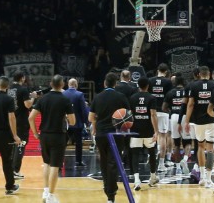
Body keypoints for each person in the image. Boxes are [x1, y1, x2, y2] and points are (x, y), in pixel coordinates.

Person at [32, 75, 75, 203]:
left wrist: (35, 133)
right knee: (55, 166)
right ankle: (50, 196)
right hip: (58, 135)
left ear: (51, 84)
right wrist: (65, 117)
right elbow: (73, 122)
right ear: (62, 85)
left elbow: (31, 117)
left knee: (46, 163)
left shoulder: (43, 98)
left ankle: (45, 192)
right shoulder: (65, 100)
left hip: (44, 135)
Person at [92, 71, 131, 203]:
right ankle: (111, 194)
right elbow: (128, 116)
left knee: (103, 162)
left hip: (101, 133)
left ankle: (107, 187)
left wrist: (95, 125)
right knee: (113, 163)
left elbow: (91, 117)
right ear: (116, 84)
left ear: (105, 83)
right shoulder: (121, 97)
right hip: (116, 133)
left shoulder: (97, 97)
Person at [184, 66, 214, 184]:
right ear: (209, 74)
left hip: (198, 121)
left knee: (200, 147)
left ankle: (202, 177)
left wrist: (187, 121)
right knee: (210, 148)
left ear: (199, 74)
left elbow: (190, 105)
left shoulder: (193, 86)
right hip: (211, 120)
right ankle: (208, 178)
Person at [127, 76, 159, 191]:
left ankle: (136, 180)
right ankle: (152, 177)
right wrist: (156, 131)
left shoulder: (132, 98)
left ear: (138, 86)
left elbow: (129, 115)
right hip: (148, 130)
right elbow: (153, 115)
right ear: (148, 86)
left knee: (135, 154)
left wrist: (128, 129)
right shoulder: (152, 97)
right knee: (152, 153)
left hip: (135, 130)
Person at [10, 71, 33, 181]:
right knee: (20, 145)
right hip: (21, 121)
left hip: (10, 120)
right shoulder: (23, 89)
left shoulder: (9, 89)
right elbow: (28, 105)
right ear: (22, 78)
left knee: (13, 146)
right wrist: (33, 97)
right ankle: (15, 170)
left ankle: (10, 169)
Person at [64, 78, 90, 171]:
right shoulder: (79, 94)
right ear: (76, 85)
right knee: (78, 143)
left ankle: (58, 162)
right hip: (77, 123)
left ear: (68, 84)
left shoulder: (63, 94)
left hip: (66, 123)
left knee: (63, 143)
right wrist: (86, 122)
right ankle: (78, 161)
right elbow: (83, 110)